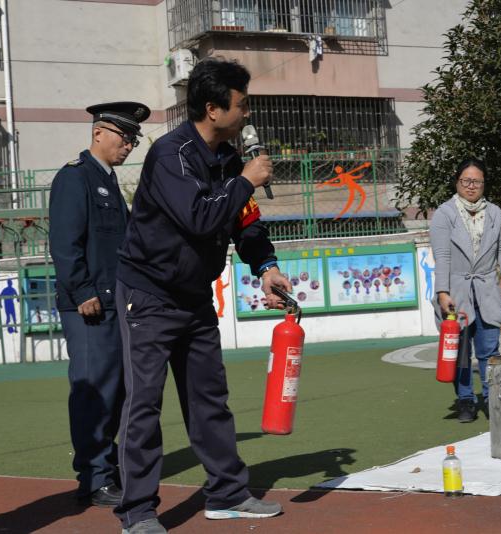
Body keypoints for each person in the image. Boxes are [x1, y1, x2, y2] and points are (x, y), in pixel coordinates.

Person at [114, 58, 292, 534]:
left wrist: (266, 266)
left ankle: (227, 494)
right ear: (213, 109)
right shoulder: (171, 155)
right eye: (241, 105)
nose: (247, 115)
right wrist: (245, 181)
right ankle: (137, 514)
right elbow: (199, 216)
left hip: (193, 296)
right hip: (148, 296)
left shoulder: (230, 160)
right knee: (144, 405)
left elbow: (244, 221)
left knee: (209, 397)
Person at [49, 101, 150, 507]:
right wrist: (83, 291)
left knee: (120, 390)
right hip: (89, 306)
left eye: (134, 139)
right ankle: (93, 477)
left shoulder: (106, 181)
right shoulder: (76, 179)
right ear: (99, 133)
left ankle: (110, 469)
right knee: (94, 390)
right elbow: (65, 244)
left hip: (116, 304)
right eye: (125, 137)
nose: (129, 145)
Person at [429, 157, 501, 423]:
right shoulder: (445, 213)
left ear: (484, 184)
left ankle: (492, 400)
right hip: (456, 290)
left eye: (476, 181)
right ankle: (466, 401)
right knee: (461, 353)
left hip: (488, 289)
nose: (471, 186)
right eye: (466, 181)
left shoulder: (496, 213)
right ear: (457, 182)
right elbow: (441, 255)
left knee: (490, 351)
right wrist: (442, 291)